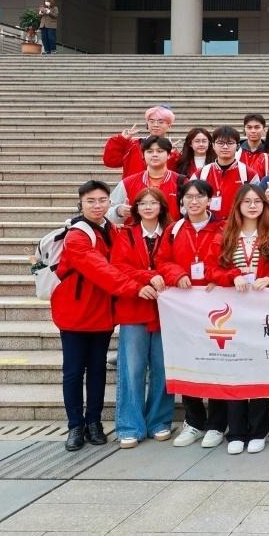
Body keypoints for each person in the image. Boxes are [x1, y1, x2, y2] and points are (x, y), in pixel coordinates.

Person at [53, 180, 152, 451]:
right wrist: (135, 288)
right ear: (81, 204)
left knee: (97, 369)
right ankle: (75, 426)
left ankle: (94, 423)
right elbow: (102, 270)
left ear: (110, 202)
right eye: (91, 201)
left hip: (102, 312)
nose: (97, 206)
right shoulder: (76, 236)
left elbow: (124, 263)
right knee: (74, 371)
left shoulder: (112, 230)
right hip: (75, 312)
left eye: (102, 200)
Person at [210, 184, 269, 455]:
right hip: (234, 310)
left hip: (261, 310)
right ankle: (236, 431)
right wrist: (233, 276)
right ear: (238, 205)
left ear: (264, 205)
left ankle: (258, 431)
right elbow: (212, 269)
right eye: (247, 201)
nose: (252, 206)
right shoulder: (225, 233)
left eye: (257, 201)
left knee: (260, 370)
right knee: (235, 370)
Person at [158, 179, 227, 448]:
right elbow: (162, 260)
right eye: (188, 197)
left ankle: (217, 424)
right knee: (188, 360)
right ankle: (194, 421)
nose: (194, 201)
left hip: (214, 305)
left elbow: (229, 259)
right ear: (182, 201)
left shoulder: (222, 227)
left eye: (199, 196)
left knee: (218, 361)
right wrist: (178, 274)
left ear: (210, 200)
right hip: (184, 307)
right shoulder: (174, 229)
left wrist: (216, 277)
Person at [109, 187, 173, 449]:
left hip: (165, 310)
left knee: (162, 368)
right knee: (132, 368)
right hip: (134, 307)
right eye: (142, 203)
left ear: (162, 207)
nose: (148, 207)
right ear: (135, 208)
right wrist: (146, 278)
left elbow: (175, 263)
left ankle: (159, 420)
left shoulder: (170, 233)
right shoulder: (127, 234)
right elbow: (119, 267)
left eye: (153, 203)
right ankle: (129, 425)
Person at [107, 136, 181, 226]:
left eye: (160, 151)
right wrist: (118, 211)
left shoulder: (181, 182)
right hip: (135, 234)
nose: (154, 155)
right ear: (143, 155)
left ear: (169, 155)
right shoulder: (127, 183)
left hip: (171, 233)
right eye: (150, 151)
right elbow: (107, 212)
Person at [199, 126, 260, 220]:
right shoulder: (201, 173)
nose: (225, 147)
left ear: (238, 146)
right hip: (208, 225)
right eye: (220, 143)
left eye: (230, 143)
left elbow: (256, 202)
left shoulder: (249, 174)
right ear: (213, 146)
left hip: (238, 224)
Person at [103, 104, 178, 178]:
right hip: (132, 185)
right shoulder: (133, 145)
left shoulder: (173, 153)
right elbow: (110, 161)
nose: (155, 125)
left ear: (169, 125)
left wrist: (171, 156)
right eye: (151, 121)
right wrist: (121, 140)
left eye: (160, 122)